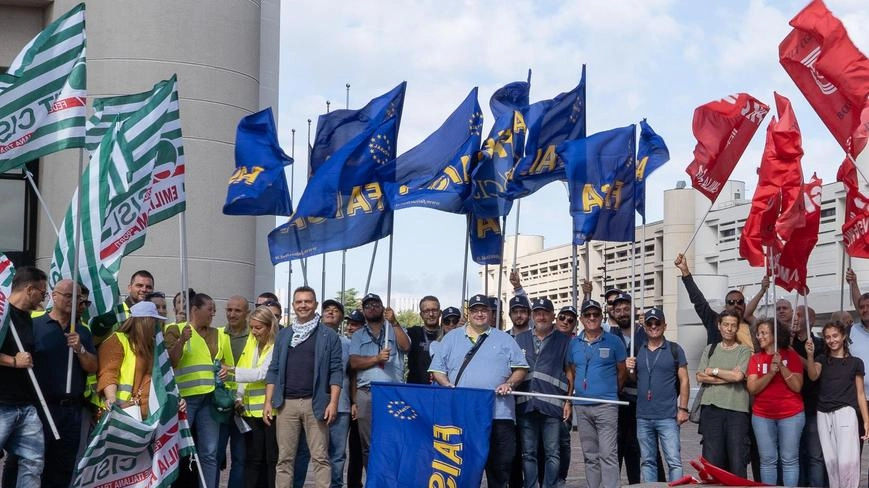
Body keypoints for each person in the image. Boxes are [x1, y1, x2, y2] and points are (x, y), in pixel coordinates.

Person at [429, 294, 529, 488]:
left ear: (491, 313)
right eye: (475, 310)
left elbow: (521, 368)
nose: (480, 314)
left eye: (484, 310)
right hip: (463, 416)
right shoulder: (451, 338)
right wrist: (447, 384)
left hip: (499, 416)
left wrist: (510, 383)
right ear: (469, 313)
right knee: (463, 469)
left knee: (500, 470)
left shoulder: (505, 339)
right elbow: (437, 370)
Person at [264, 286, 343, 488]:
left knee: (320, 458)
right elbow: (273, 369)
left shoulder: (328, 336)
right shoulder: (284, 335)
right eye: (299, 302)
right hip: (286, 405)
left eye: (307, 301)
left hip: (315, 404)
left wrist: (333, 403)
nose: (303, 305)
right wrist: (267, 402)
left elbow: (336, 371)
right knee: (284, 460)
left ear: (315, 305)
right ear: (293, 305)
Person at [164, 292, 233, 488]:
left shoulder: (219, 334)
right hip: (186, 400)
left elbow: (228, 365)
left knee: (209, 453)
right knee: (177, 450)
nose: (213, 313)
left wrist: (225, 372)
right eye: (209, 309)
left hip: (210, 400)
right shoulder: (175, 329)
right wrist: (182, 341)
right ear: (195, 310)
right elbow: (171, 362)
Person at [567, 299, 626, 488]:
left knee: (608, 453)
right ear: (582, 319)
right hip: (582, 406)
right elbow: (572, 369)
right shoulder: (574, 342)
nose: (592, 318)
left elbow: (622, 372)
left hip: (606, 405)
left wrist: (608, 391)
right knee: (590, 454)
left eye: (596, 314)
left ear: (602, 316)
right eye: (587, 315)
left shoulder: (614, 341)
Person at [625, 308, 689, 482]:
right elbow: (634, 378)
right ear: (644, 327)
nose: (654, 326)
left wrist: (683, 408)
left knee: (674, 461)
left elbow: (684, 380)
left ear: (664, 325)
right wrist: (629, 368)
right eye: (650, 323)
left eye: (657, 323)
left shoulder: (675, 349)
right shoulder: (638, 349)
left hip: (667, 416)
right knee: (647, 461)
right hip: (643, 415)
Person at [514, 297, 571, 488]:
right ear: (532, 316)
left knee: (552, 453)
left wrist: (568, 402)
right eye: (537, 312)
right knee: (528, 453)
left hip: (552, 406)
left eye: (545, 312)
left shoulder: (564, 341)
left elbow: (571, 374)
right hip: (526, 405)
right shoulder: (519, 339)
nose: (541, 316)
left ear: (553, 316)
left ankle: (550, 486)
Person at [0, 266, 49, 486]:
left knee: (33, 462)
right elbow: (17, 359)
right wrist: (12, 361)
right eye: (42, 292)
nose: (43, 298)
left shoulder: (28, 318)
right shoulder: (2, 314)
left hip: (26, 404)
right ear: (30, 289)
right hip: (2, 403)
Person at [349, 293, 410, 469]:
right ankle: (373, 479)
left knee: (393, 440)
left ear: (383, 308)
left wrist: (395, 322)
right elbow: (354, 362)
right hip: (366, 392)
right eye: (368, 306)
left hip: (392, 392)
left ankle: (391, 478)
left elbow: (406, 347)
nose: (372, 308)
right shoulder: (358, 335)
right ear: (363, 311)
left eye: (376, 304)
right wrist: (376, 358)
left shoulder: (395, 329)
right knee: (367, 444)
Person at [806, 321, 869, 488]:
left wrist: (866, 420)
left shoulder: (856, 362)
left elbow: (860, 394)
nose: (831, 340)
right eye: (827, 337)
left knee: (847, 460)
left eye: (835, 336)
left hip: (846, 412)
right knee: (831, 460)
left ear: (843, 337)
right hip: (823, 413)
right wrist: (810, 355)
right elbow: (813, 375)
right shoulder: (821, 359)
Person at [746, 318, 805, 487]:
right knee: (767, 460)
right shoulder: (755, 359)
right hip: (762, 416)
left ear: (775, 335)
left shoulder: (791, 355)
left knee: (790, 459)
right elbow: (752, 388)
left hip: (791, 414)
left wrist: (782, 367)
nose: (760, 336)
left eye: (764, 333)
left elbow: (797, 386)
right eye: (758, 333)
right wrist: (771, 373)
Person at [695, 310, 752, 478]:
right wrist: (730, 377)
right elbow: (699, 376)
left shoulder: (744, 351)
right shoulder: (710, 349)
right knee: (712, 461)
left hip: (737, 411)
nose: (729, 329)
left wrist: (714, 371)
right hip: (711, 409)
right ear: (719, 326)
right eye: (726, 324)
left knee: (737, 460)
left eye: (733, 325)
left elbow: (739, 376)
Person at [230, 306, 278, 488]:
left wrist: (233, 371)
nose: (254, 331)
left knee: (271, 458)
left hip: (270, 411)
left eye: (258, 328)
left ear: (269, 326)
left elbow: (261, 374)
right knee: (253, 458)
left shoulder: (275, 346)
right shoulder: (252, 343)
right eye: (252, 327)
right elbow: (245, 370)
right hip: (250, 412)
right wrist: (238, 398)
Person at [674, 253, 757, 346]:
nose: (736, 305)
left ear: (744, 306)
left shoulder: (753, 328)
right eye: (731, 302)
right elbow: (699, 301)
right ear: (725, 306)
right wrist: (685, 272)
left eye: (739, 302)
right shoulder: (714, 321)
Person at [610, 292, 644, 484]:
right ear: (613, 313)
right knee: (614, 450)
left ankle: (635, 484)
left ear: (634, 310)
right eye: (618, 310)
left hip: (638, 402)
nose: (622, 313)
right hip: (616, 400)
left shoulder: (645, 333)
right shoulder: (610, 335)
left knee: (634, 449)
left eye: (626, 309)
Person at [791, 304, 826, 487]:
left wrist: (795, 354)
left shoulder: (819, 343)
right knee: (795, 454)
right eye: (794, 314)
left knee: (814, 455)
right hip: (792, 407)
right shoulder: (788, 342)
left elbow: (815, 373)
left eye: (800, 314)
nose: (795, 318)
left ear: (811, 320)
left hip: (813, 406)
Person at [218, 295, 250, 487]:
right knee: (215, 454)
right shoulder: (218, 334)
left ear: (247, 313)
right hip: (220, 405)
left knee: (240, 458)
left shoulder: (254, 336)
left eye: (237, 310)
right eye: (229, 310)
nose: (232, 314)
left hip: (243, 406)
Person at [320, 298, 352, 488]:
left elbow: (352, 373)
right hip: (315, 404)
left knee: (338, 454)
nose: (331, 312)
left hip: (341, 404)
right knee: (314, 453)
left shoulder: (347, 343)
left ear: (341, 318)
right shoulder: (311, 339)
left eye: (336, 310)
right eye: (327, 309)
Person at [89, 270, 155, 343]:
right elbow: (94, 342)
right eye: (139, 285)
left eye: (149, 287)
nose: (144, 289)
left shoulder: (155, 315)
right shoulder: (114, 312)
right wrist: (101, 326)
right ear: (129, 288)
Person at [344, 309, 365, 488]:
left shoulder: (365, 346)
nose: (350, 327)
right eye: (349, 324)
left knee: (358, 450)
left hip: (358, 403)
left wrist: (355, 401)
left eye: (355, 324)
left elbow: (355, 376)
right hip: (342, 404)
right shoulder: (342, 343)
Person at [407, 296, 441, 384]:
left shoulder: (448, 335)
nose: (431, 314)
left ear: (440, 313)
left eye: (434, 310)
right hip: (416, 388)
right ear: (421, 314)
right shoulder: (412, 333)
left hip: (441, 388)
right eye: (426, 311)